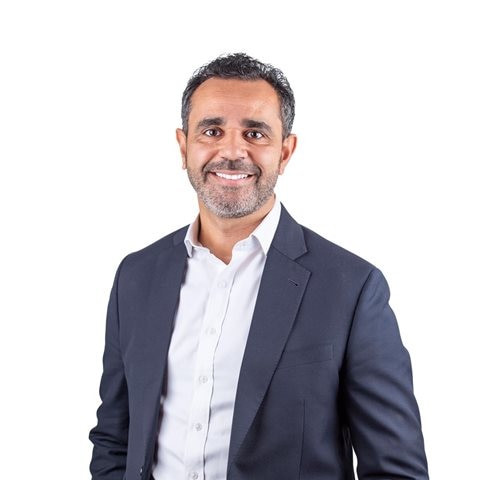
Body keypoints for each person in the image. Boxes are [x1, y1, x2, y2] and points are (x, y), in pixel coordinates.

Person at [89, 53, 429, 480]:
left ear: (285, 152)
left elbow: (396, 469)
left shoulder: (351, 288)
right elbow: (115, 440)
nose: (232, 151)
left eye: (255, 133)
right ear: (183, 146)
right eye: (212, 131)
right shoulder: (137, 277)